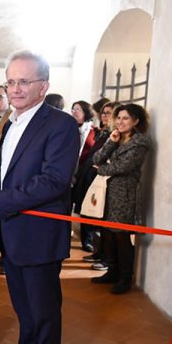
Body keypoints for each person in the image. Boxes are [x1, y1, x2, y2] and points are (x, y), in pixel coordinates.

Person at [0, 50, 79, 344]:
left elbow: (53, 181)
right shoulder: (10, 122)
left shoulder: (59, 124)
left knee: (43, 307)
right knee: (23, 303)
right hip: (13, 231)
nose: (15, 88)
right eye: (11, 81)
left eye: (24, 81)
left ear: (43, 86)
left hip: (39, 234)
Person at [91, 103, 150, 294]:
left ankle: (125, 278)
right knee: (108, 234)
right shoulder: (116, 138)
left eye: (125, 118)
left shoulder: (140, 142)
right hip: (109, 193)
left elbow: (123, 167)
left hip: (126, 194)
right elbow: (96, 158)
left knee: (122, 236)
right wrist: (111, 141)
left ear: (136, 121)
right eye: (119, 118)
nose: (120, 121)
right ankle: (112, 271)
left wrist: (102, 170)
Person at [73, 101, 119, 267]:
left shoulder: (115, 135)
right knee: (91, 215)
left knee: (102, 220)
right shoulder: (103, 132)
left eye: (109, 113)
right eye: (103, 112)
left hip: (103, 180)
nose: (105, 115)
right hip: (89, 176)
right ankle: (99, 252)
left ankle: (107, 258)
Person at [70, 100, 98, 253]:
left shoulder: (94, 130)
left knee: (86, 209)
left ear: (86, 112)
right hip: (69, 174)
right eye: (73, 109)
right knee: (65, 206)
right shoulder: (68, 128)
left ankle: (87, 240)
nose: (74, 112)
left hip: (85, 175)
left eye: (78, 109)